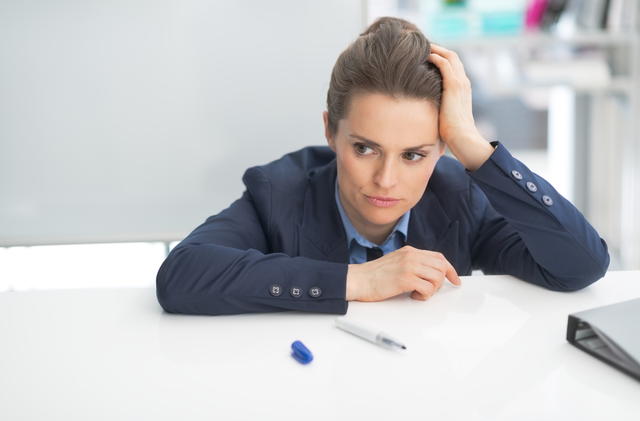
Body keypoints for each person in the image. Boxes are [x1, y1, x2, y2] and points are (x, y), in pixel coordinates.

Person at [156, 17, 609, 316]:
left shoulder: (460, 197)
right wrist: (356, 280)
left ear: (441, 149)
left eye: (414, 154)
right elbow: (181, 275)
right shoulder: (277, 192)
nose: (386, 180)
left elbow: (581, 267)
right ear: (331, 132)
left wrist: (472, 144)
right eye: (365, 149)